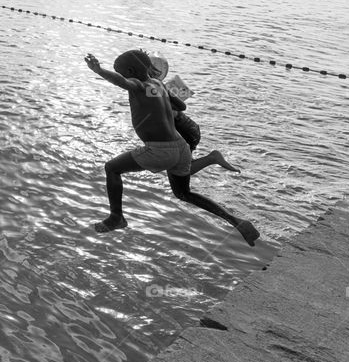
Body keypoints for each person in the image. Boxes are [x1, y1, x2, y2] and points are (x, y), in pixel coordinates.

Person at [84, 50, 259, 246]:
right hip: (181, 147)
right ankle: (237, 222)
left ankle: (116, 217)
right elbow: (181, 107)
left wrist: (99, 70)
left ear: (131, 71)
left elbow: (122, 82)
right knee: (184, 193)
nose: (125, 77)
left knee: (111, 168)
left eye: (124, 72)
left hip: (160, 150)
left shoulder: (138, 86)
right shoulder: (157, 85)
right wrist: (162, 100)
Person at [148, 56, 239, 175]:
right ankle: (212, 158)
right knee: (181, 172)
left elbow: (169, 113)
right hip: (188, 128)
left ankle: (212, 158)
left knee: (183, 169)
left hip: (184, 130)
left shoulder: (155, 90)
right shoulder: (155, 88)